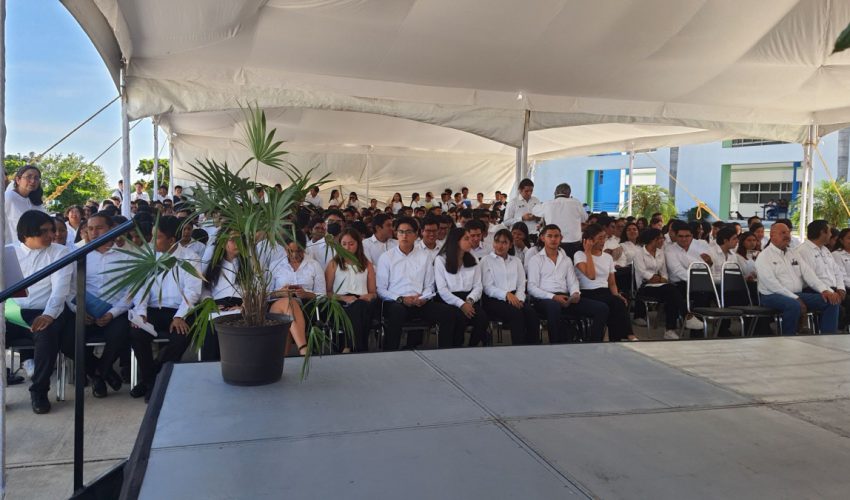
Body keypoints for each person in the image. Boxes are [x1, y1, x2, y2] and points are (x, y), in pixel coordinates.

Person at [129, 216, 202, 401]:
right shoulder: (147, 256)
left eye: (158, 237)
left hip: (180, 310)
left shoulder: (190, 257)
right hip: (153, 309)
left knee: (180, 336)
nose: (152, 240)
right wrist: (141, 313)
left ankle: (154, 379)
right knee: (137, 333)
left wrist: (180, 316)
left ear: (172, 240)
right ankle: (152, 381)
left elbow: (192, 291)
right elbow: (141, 289)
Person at [61, 212, 131, 398]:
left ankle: (100, 373)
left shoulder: (126, 256)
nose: (94, 232)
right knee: (66, 341)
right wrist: (79, 310)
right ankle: (99, 372)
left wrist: (113, 313)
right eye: (90, 229)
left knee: (122, 333)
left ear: (111, 229)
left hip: (114, 312)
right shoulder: (79, 255)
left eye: (99, 228)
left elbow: (131, 292)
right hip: (84, 312)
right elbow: (69, 289)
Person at [9, 211, 71, 413]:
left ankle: (39, 391)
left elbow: (60, 290)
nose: (52, 235)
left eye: (52, 230)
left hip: (45, 311)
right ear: (27, 232)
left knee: (46, 336)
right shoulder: (8, 253)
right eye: (44, 231)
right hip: (11, 312)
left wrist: (48, 315)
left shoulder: (60, 253)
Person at [377, 217, 455, 350]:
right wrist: (401, 299)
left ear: (416, 234)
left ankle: (444, 352)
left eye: (408, 232)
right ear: (396, 234)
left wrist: (424, 298)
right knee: (397, 312)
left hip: (419, 302)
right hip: (396, 302)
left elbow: (429, 285)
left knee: (447, 312)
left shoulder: (424, 256)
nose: (404, 236)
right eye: (401, 232)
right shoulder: (386, 257)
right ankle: (390, 351)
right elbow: (381, 289)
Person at [526, 224, 608, 343]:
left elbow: (572, 281)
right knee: (554, 307)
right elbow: (531, 287)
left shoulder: (566, 260)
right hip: (544, 299)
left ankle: (594, 344)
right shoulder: (536, 259)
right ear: (543, 238)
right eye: (550, 236)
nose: (553, 239)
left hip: (566, 298)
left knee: (602, 308)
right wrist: (553, 297)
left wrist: (575, 293)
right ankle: (557, 346)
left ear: (561, 238)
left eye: (556, 236)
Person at [756, 222, 840, 335]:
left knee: (832, 301)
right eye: (783, 233)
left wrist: (825, 290)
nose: (787, 235)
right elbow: (772, 284)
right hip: (772, 295)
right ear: (772, 235)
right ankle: (788, 338)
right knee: (793, 305)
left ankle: (828, 337)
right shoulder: (764, 256)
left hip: (797, 294)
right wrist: (795, 298)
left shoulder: (793, 253)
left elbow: (809, 274)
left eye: (788, 232)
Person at [633, 228, 701, 339]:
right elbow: (643, 272)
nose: (662, 241)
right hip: (644, 287)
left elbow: (664, 273)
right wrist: (654, 278)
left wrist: (660, 278)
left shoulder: (660, 253)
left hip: (661, 285)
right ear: (652, 240)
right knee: (671, 291)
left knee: (672, 294)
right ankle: (686, 317)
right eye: (660, 239)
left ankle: (670, 330)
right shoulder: (639, 253)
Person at [573, 224, 637, 342]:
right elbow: (591, 275)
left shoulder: (607, 257)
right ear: (589, 240)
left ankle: (616, 339)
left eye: (604, 238)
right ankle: (627, 335)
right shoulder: (579, 255)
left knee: (619, 301)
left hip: (604, 292)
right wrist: (588, 252)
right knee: (615, 303)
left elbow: (612, 283)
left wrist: (616, 294)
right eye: (600, 238)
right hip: (587, 293)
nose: (603, 241)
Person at [480, 229, 540, 345]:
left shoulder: (516, 261)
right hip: (494, 299)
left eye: (504, 242)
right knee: (515, 314)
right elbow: (487, 287)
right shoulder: (486, 260)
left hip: (515, 297)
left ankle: (533, 346)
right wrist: (506, 295)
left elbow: (521, 284)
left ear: (510, 245)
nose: (500, 246)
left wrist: (519, 299)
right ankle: (519, 348)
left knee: (531, 313)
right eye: (497, 241)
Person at [268, 232, 323, 356]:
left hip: (306, 305)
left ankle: (284, 357)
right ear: (285, 249)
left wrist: (306, 294)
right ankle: (303, 349)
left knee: (287, 317)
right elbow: (266, 295)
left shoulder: (314, 265)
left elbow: (322, 295)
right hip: (277, 304)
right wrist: (279, 293)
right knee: (289, 302)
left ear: (304, 249)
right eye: (290, 251)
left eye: (299, 251)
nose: (294, 255)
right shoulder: (275, 265)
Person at [434, 227, 489, 347]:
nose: (471, 241)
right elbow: (442, 290)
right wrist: (461, 304)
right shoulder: (441, 259)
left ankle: (471, 346)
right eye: (466, 239)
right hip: (449, 300)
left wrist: (469, 301)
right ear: (456, 241)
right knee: (456, 317)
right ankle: (454, 348)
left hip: (468, 298)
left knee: (482, 318)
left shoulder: (473, 258)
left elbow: (478, 286)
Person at [325, 228, 376, 353]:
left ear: (358, 244)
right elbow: (326, 292)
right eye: (344, 244)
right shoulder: (334, 264)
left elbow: (373, 292)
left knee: (359, 306)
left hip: (362, 301)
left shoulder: (367, 264)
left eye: (351, 244)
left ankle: (348, 346)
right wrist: (343, 298)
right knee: (357, 310)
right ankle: (358, 349)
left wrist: (369, 296)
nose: (347, 247)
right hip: (340, 302)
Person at [795, 220, 846, 304]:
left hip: (833, 289)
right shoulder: (803, 251)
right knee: (834, 304)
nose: (831, 234)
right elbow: (811, 278)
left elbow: (837, 271)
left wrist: (841, 288)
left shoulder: (825, 249)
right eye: (829, 231)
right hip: (816, 290)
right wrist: (830, 292)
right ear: (822, 232)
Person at [532, 183, 587, 258]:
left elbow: (534, 211)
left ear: (555, 193)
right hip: (574, 244)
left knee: (554, 264)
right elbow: (585, 218)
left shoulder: (548, 204)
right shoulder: (576, 203)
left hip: (554, 243)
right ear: (569, 194)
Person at [5, 165, 46, 242]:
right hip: (14, 245)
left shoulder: (36, 200)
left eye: (36, 178)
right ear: (18, 180)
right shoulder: (8, 197)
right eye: (29, 177)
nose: (33, 181)